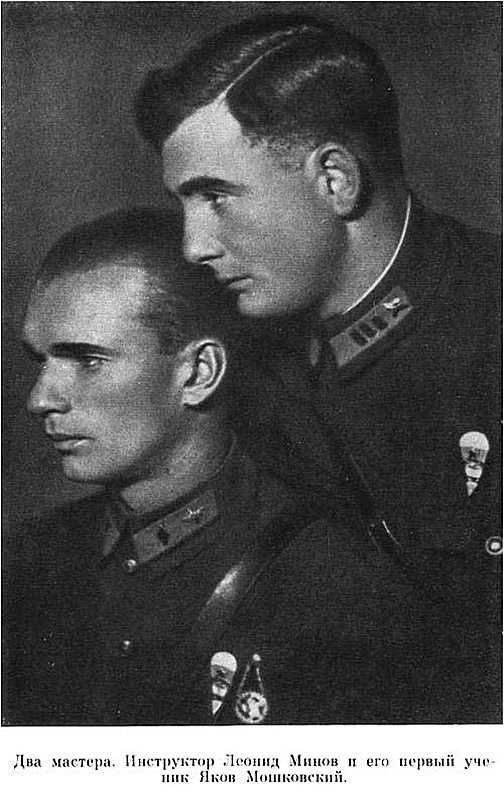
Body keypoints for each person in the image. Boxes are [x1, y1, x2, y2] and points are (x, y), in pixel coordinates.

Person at [135, 14, 502, 722]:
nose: (193, 247)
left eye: (216, 197)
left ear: (335, 179)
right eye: (184, 204)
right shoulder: (241, 369)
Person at [5, 206, 425, 726]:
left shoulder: (332, 581)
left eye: (88, 361)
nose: (40, 398)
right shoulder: (29, 560)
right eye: (41, 361)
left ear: (199, 373)